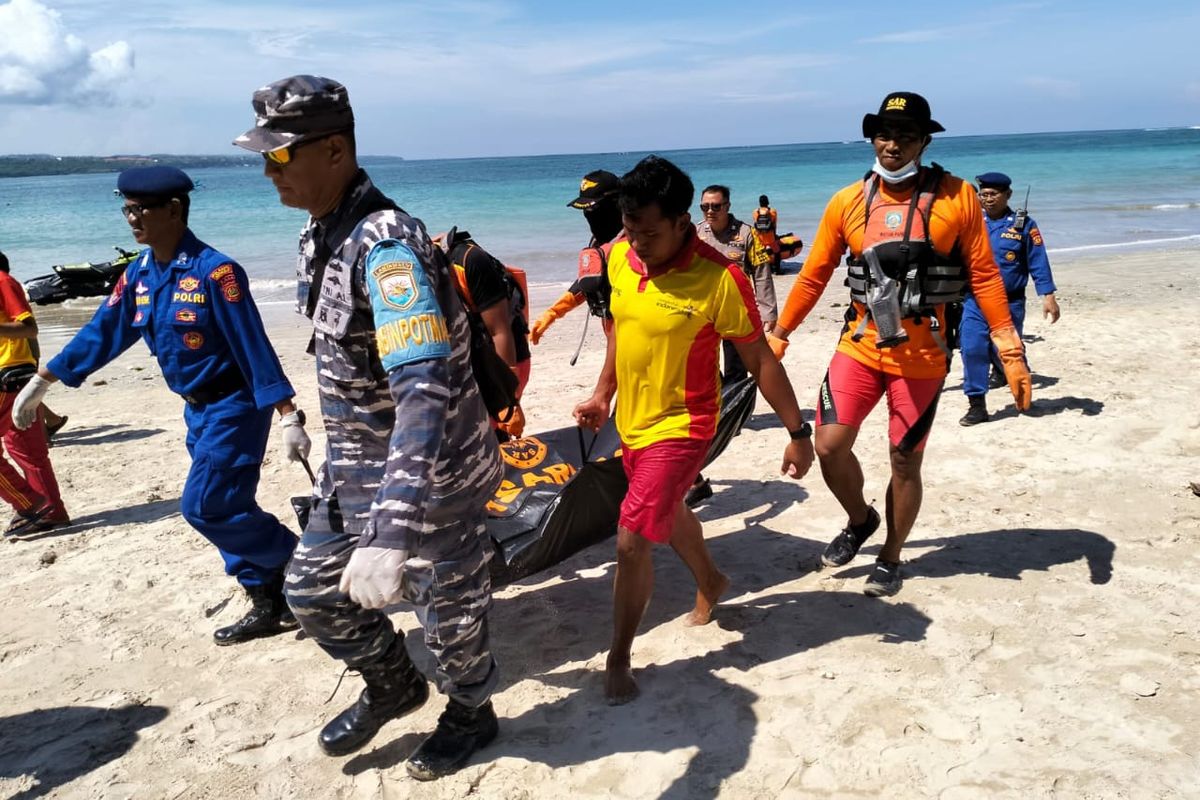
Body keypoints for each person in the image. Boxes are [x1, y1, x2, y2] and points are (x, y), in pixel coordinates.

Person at [234, 74, 503, 781]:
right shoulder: (321, 232)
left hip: (430, 479)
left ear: (335, 150)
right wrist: (299, 421)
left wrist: (392, 527)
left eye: (280, 155)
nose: (268, 170)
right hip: (354, 468)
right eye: (265, 155)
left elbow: (424, 388)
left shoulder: (387, 247)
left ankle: (471, 712)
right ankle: (393, 684)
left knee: (450, 620)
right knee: (310, 592)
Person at [12, 166, 309, 643]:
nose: (132, 218)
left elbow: (253, 345)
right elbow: (104, 332)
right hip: (195, 410)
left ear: (173, 210)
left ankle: (301, 561)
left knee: (204, 506)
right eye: (126, 209)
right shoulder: (140, 274)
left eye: (141, 209)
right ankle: (268, 599)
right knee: (230, 505)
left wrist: (288, 414)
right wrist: (45, 378)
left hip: (234, 406)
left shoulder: (216, 272)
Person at [769, 91, 1032, 597]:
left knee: (905, 459)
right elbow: (814, 274)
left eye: (906, 137)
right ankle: (860, 518)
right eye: (884, 135)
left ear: (924, 142)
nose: (892, 145)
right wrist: (780, 334)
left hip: (924, 355)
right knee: (828, 445)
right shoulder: (847, 201)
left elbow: (983, 274)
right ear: (873, 139)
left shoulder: (958, 197)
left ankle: (891, 554)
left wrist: (1010, 349)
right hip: (860, 345)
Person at [573, 155, 814, 705]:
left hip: (685, 425)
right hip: (632, 420)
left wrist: (798, 432)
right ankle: (710, 580)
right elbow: (620, 330)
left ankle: (618, 657)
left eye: (650, 233)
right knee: (667, 510)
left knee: (632, 539)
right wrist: (603, 393)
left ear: (683, 221)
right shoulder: (620, 257)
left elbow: (758, 358)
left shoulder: (719, 277)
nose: (638, 243)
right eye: (630, 229)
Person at [959, 171, 1061, 426]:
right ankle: (977, 406)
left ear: (1008, 195)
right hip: (975, 300)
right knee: (971, 349)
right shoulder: (970, 222)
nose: (987, 199)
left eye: (993, 194)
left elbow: (1038, 261)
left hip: (1009, 302)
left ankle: (1022, 396)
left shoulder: (1023, 225)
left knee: (1009, 351)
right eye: (983, 194)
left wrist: (1048, 295)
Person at [0, 251, 68, 535]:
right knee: (28, 451)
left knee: (27, 450)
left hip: (9, 374)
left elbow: (29, 329)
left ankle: (30, 504)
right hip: (18, 376)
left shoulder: (2, 281)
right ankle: (51, 512)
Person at [439, 230, 529, 439]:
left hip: (505, 360)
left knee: (493, 433)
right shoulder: (417, 273)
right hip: (473, 357)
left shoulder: (470, 261)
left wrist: (510, 400)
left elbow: (500, 331)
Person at [529, 169, 624, 344]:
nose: (589, 215)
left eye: (593, 209)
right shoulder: (600, 241)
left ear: (616, 204)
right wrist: (553, 313)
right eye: (585, 210)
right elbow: (590, 279)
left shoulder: (635, 245)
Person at [751, 194, 783, 274]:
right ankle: (777, 270)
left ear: (759, 203)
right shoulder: (773, 211)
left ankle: (761, 270)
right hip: (770, 237)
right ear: (768, 202)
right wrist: (775, 235)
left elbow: (756, 225)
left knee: (761, 253)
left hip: (760, 237)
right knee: (777, 251)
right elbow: (774, 225)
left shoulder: (755, 212)